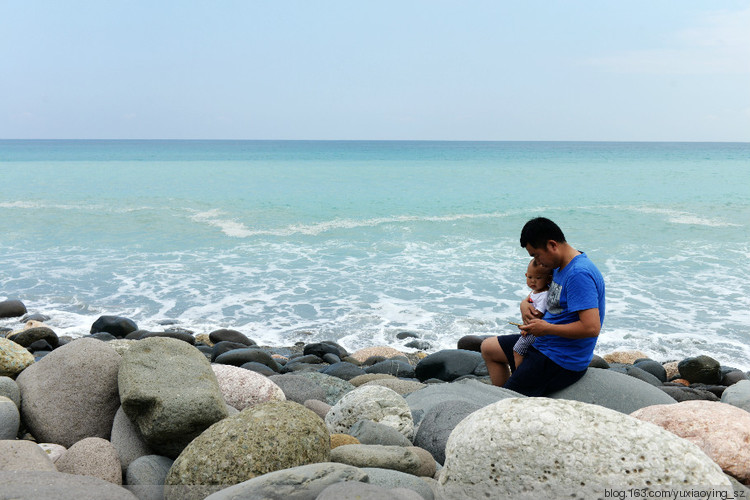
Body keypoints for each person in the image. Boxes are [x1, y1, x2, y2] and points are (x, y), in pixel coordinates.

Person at [481, 217, 605, 396]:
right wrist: (524, 305)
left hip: (561, 359)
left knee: (506, 399)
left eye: (536, 255)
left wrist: (547, 328)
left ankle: (508, 399)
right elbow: (539, 293)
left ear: (552, 245)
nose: (538, 263)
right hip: (543, 341)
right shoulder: (558, 266)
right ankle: (510, 394)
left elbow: (591, 327)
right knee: (488, 348)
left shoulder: (579, 274)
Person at [512, 258, 553, 369]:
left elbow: (537, 315)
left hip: (535, 330)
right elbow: (527, 302)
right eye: (530, 277)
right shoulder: (535, 291)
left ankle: (519, 374)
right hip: (532, 328)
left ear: (548, 279)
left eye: (538, 278)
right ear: (526, 275)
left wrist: (526, 328)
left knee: (518, 349)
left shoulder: (544, 295)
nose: (533, 281)